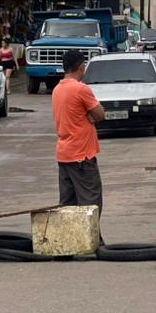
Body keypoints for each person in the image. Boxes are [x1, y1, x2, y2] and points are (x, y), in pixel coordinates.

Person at [52, 49, 105, 212]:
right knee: (91, 202)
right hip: (82, 154)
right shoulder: (81, 89)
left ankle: (71, 237)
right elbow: (100, 114)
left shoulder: (57, 89)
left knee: (69, 204)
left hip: (64, 153)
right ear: (81, 66)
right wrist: (90, 115)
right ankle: (92, 237)